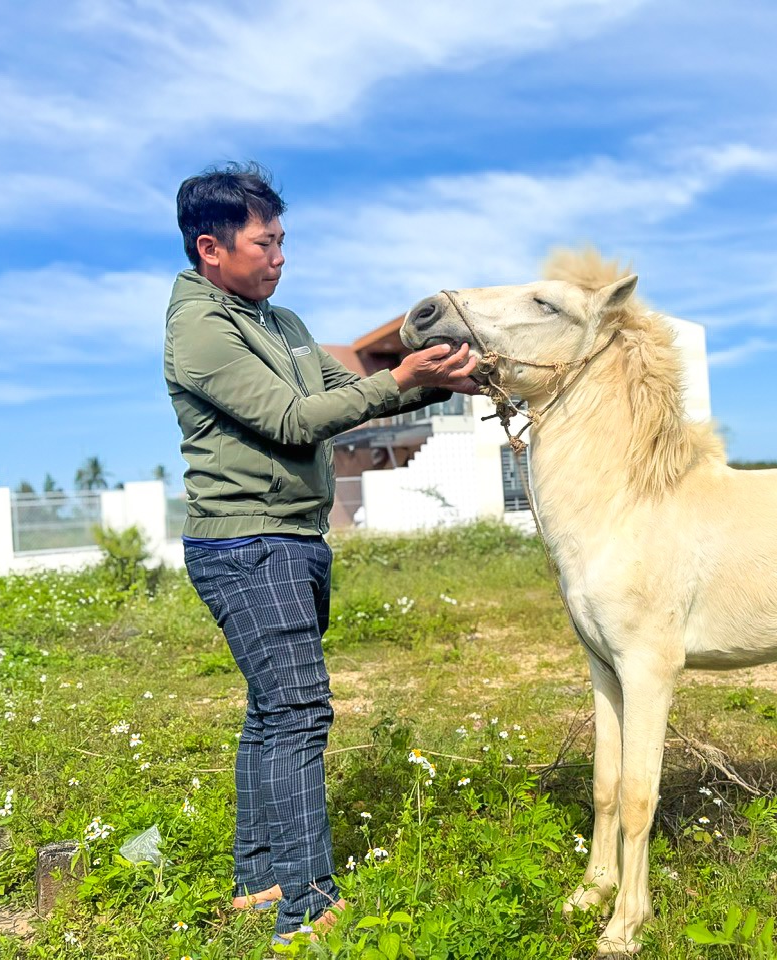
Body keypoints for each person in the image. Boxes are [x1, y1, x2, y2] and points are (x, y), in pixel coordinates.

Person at [163, 162, 478, 947]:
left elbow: (350, 391)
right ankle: (307, 907)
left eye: (282, 240)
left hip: (292, 535)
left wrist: (437, 382)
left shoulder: (284, 323)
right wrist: (401, 378)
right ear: (211, 248)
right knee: (300, 710)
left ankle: (260, 879)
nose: (279, 257)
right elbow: (295, 420)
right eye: (264, 243)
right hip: (248, 541)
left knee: (273, 709)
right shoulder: (201, 330)